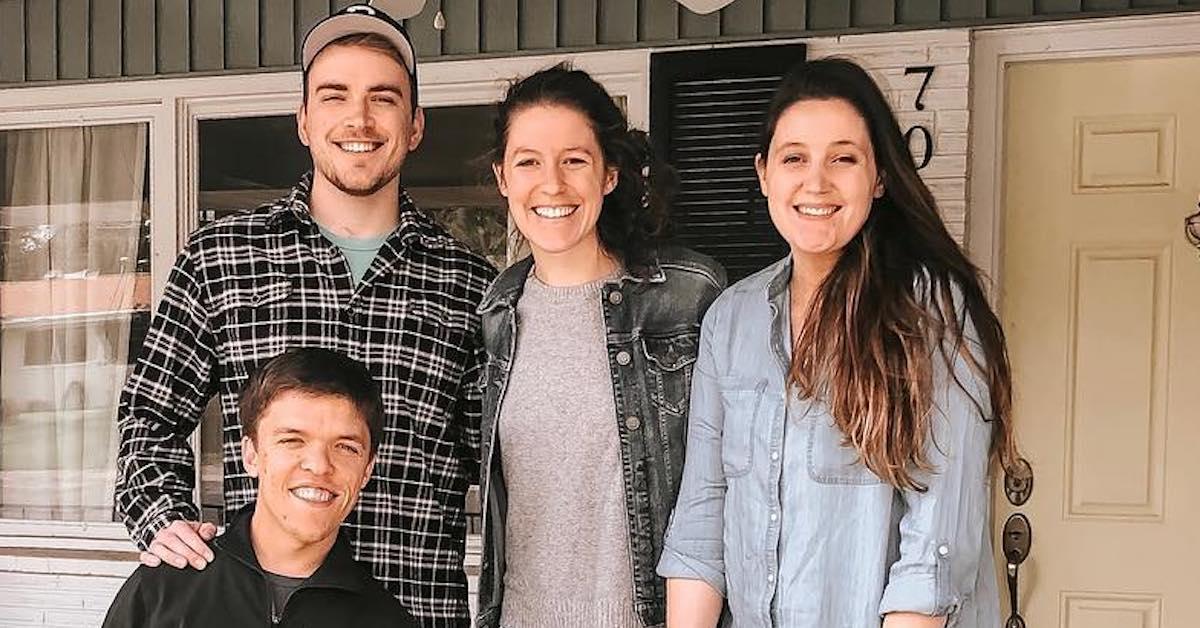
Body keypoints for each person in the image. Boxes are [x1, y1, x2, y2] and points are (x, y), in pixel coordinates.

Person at [113, 5, 496, 625]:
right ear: (304, 121)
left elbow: (505, 467)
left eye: (384, 98)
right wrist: (162, 519)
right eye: (334, 95)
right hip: (256, 608)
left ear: (416, 124)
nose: (359, 119)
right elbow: (151, 413)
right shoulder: (221, 257)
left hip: (411, 606)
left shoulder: (470, 285)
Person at [657, 58, 1022, 627]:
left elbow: (934, 555)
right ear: (764, 174)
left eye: (843, 158)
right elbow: (702, 525)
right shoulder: (731, 320)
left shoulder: (932, 315)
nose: (816, 182)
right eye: (794, 158)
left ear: (878, 177)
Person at [474, 65, 726, 627]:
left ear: (609, 174)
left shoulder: (690, 296)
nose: (552, 184)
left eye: (575, 160)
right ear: (502, 179)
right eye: (528, 162)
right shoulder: (497, 312)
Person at [103, 348, 416, 627]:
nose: (319, 465)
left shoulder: (388, 620)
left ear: (367, 470)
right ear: (251, 455)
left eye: (346, 447)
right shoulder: (161, 590)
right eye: (292, 440)